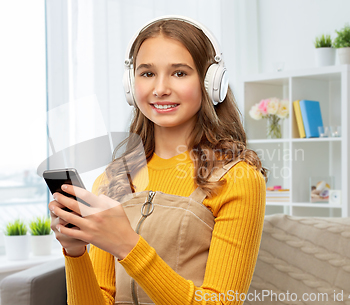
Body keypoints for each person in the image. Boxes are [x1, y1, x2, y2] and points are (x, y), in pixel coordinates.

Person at [49, 15, 267, 305]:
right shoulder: (113, 180)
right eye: (147, 73)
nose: (160, 88)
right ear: (131, 84)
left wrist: (127, 245)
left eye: (179, 73)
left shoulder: (238, 179)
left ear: (210, 82)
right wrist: (74, 251)